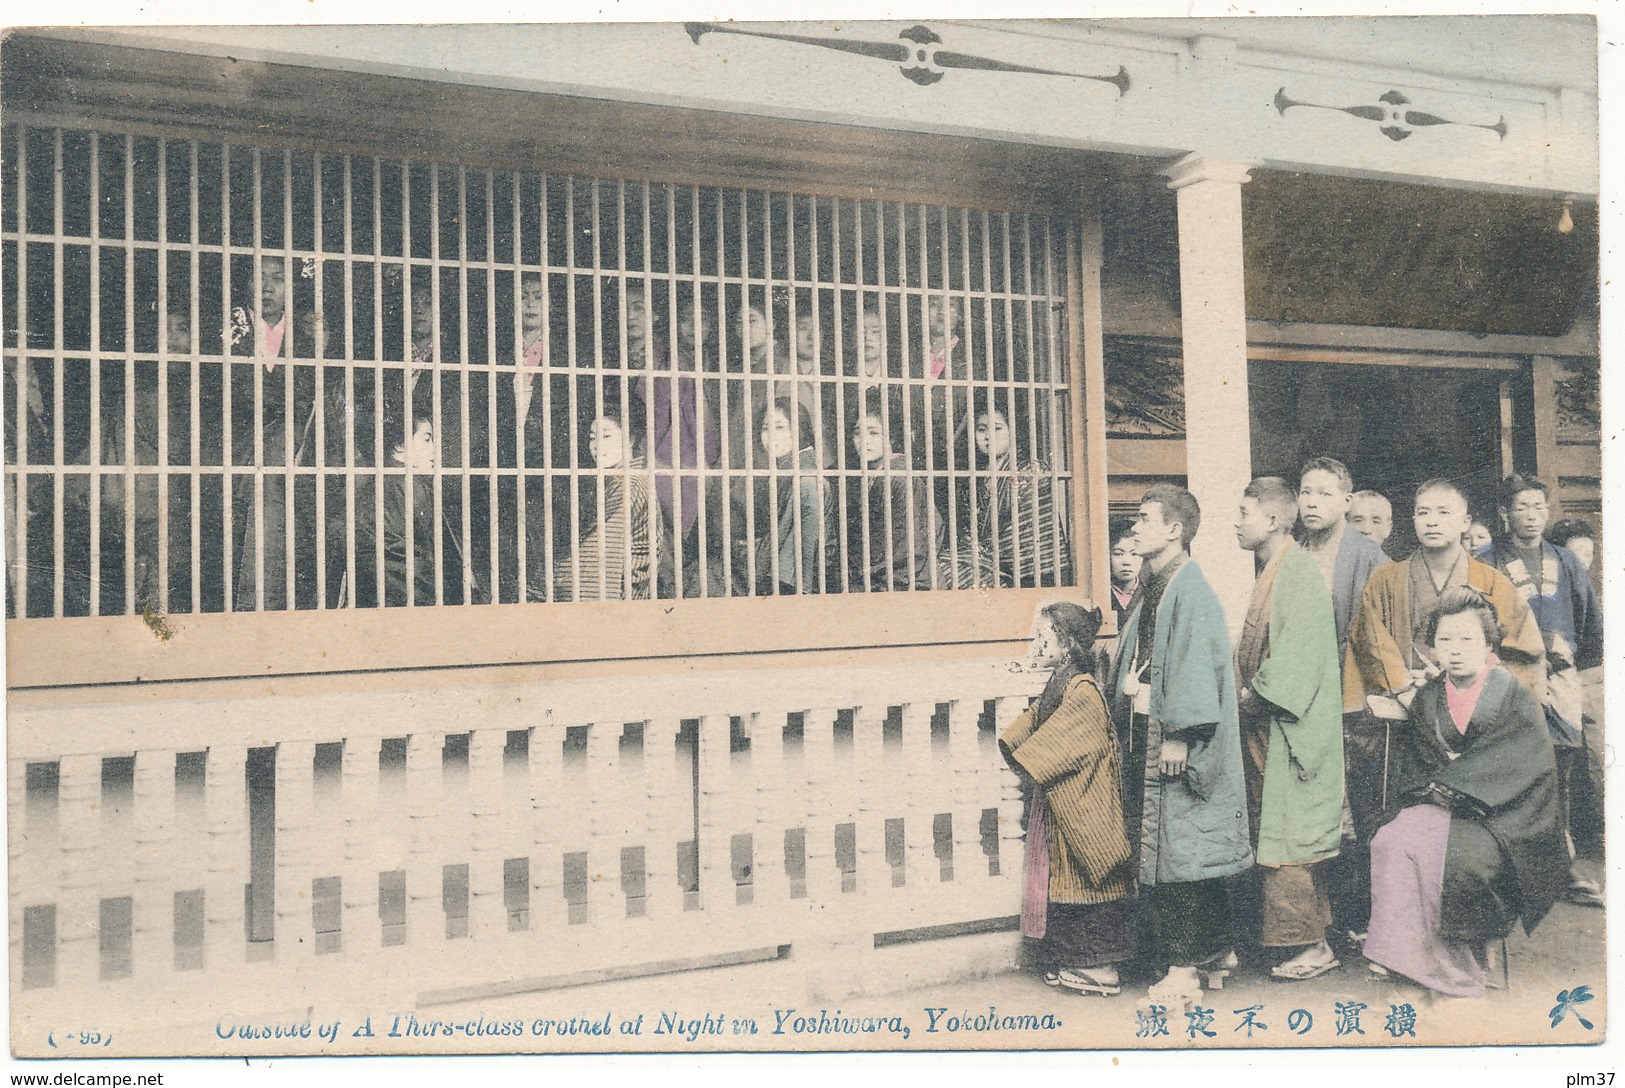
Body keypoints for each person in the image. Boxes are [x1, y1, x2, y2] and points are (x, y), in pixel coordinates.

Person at [1340, 478, 1546, 940]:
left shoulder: (1492, 582)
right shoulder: (1387, 579)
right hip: (1400, 717)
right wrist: (1404, 688)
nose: (1431, 521)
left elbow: (1524, 651)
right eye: (1422, 512)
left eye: (1443, 513)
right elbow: (1369, 639)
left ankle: (1459, 928)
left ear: (1465, 521)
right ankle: (1395, 927)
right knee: (1390, 819)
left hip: (1467, 726)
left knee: (1464, 834)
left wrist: (1459, 684)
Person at [1362, 587, 1565, 1000]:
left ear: (1490, 644)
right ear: (1432, 645)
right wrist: (1438, 790)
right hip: (1442, 801)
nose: (1455, 651)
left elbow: (1527, 763)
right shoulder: (1430, 696)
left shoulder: (1512, 695)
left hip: (1504, 815)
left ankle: (1458, 971)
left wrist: (1458, 786)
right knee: (1390, 839)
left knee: (1458, 859)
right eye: (1444, 640)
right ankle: (1407, 959)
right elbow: (1416, 762)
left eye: (1467, 639)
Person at [1105, 484, 1251, 1008]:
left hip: (1181, 742)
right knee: (1180, 849)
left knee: (1181, 853)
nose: (1136, 527)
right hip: (1158, 732)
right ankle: (1214, 952)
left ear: (1175, 529)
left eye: (1145, 519)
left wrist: (1178, 735)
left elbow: (1196, 665)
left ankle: (1184, 968)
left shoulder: (1191, 590)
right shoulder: (1161, 583)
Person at [1233, 477, 1345, 981]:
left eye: (1244, 513)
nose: (1237, 522)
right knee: (1280, 832)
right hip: (1274, 725)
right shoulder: (1278, 568)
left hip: (1289, 726)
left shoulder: (1296, 572)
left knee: (1289, 838)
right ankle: (1309, 937)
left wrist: (1252, 695)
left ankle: (1312, 946)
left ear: (1274, 520)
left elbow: (1297, 657)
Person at [1476, 473, 1604, 908]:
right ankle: (1506, 870)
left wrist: (1561, 658)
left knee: (1560, 769)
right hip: (1507, 676)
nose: (1531, 516)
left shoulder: (1565, 561)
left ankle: (1561, 868)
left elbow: (1589, 623)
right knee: (1507, 766)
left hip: (1560, 675)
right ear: (1504, 513)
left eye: (1538, 507)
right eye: (1521, 507)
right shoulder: (1485, 559)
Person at [1001, 603, 1135, 996]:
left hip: (1085, 797)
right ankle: (1074, 961)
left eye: (1045, 638)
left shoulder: (1082, 689)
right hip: (1066, 795)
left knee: (1088, 870)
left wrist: (1029, 752)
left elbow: (1064, 738)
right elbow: (1036, 720)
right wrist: (1018, 740)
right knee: (1064, 877)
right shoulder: (1064, 681)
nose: (1038, 645)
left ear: (1068, 643)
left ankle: (1101, 967)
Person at [229, 256, 338, 612]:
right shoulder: (227, 331)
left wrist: (321, 351)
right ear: (245, 283)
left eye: (278, 278)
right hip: (235, 460)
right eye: (258, 277)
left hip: (294, 465)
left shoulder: (312, 334)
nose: (267, 287)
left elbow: (318, 399)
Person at [938, 396, 1069, 590]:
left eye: (997, 428)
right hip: (986, 562)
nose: (988, 436)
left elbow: (1026, 531)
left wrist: (981, 546)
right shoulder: (977, 476)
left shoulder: (1030, 469)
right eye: (981, 430)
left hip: (1025, 568)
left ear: (1013, 431)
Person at [352, 412, 468, 608]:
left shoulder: (385, 483)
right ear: (400, 446)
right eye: (427, 439)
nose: (434, 449)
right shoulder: (407, 486)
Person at [553, 395, 655, 602]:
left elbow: (593, 563)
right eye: (592, 437)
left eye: (606, 436)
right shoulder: (624, 478)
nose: (596, 446)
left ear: (630, 439)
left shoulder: (629, 482)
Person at [844, 392, 935, 592]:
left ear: (892, 435)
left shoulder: (898, 474)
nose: (863, 440)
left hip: (905, 579)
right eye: (858, 433)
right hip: (882, 573)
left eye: (874, 433)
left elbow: (911, 544)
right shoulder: (877, 473)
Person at [1296, 457, 1385, 656]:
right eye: (1306, 492)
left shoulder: (1371, 559)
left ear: (1347, 502)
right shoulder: (1289, 555)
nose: (1312, 503)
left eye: (1324, 494)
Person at [745, 398, 832, 595]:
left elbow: (807, 550)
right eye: (766, 428)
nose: (771, 436)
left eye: (780, 427)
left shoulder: (806, 479)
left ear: (799, 429)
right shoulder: (786, 469)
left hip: (792, 583)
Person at [1107, 523, 1141, 629]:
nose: (1127, 562)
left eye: (1134, 554)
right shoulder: (1101, 595)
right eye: (1118, 554)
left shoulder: (1150, 592)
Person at [1348, 490, 1394, 554]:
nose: (1367, 530)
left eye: (1375, 522)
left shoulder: (1391, 564)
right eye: (1358, 521)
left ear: (1388, 529)